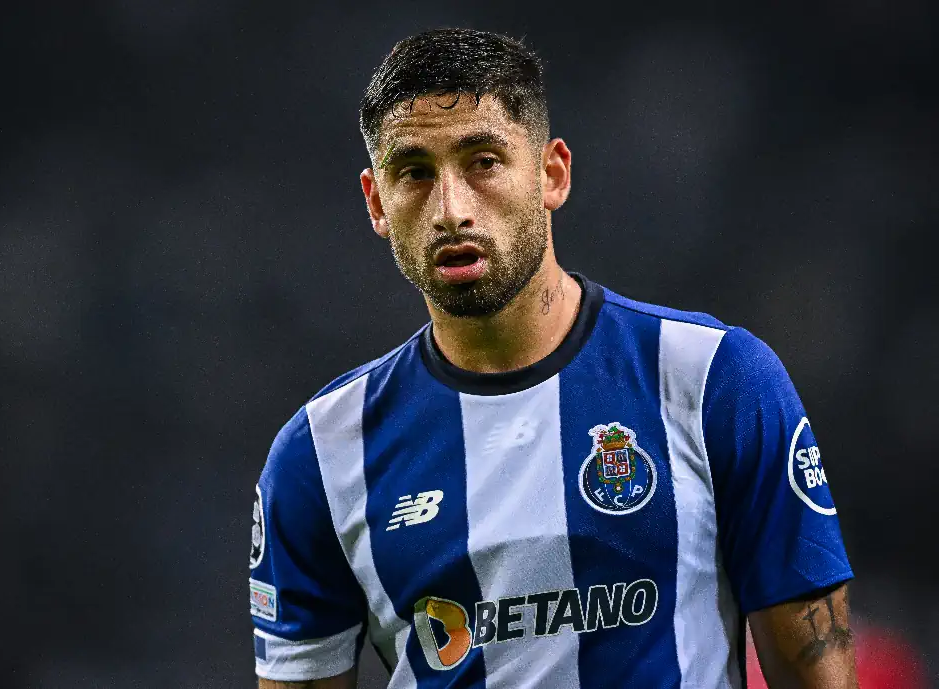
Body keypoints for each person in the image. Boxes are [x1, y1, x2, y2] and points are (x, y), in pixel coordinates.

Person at [247, 28, 856, 688]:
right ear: (376, 202)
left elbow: (816, 673)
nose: (451, 209)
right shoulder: (321, 454)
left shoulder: (713, 380)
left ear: (551, 174)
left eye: (482, 161)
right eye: (415, 173)